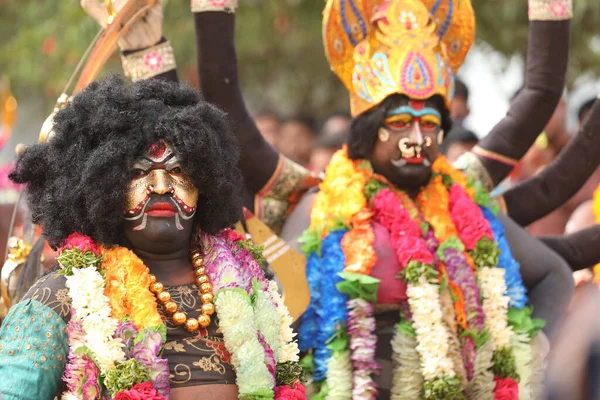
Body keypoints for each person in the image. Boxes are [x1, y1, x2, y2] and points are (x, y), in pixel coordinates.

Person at [0, 76, 304, 400]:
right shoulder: (61, 298)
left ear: (205, 181)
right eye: (137, 172)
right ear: (102, 186)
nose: (160, 186)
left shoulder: (248, 284)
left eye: (178, 171)